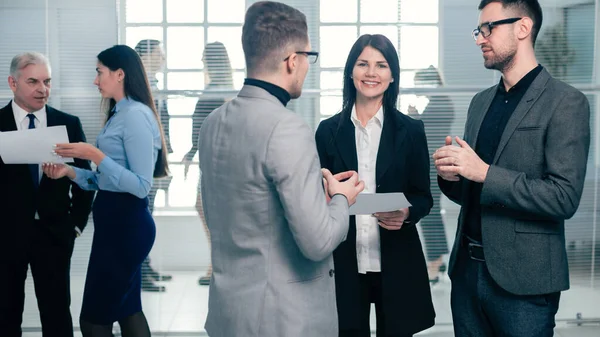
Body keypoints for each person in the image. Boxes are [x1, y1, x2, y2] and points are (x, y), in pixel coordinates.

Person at [198, 2, 365, 336]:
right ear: (293, 61)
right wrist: (340, 198)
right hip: (279, 319)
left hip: (227, 314)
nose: (307, 67)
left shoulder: (212, 124)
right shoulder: (288, 129)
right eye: (308, 57)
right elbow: (317, 241)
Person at [433, 1, 590, 336]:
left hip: (525, 285)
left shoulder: (566, 102)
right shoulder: (479, 102)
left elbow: (563, 198)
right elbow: (472, 189)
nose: (479, 38)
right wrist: (451, 176)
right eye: (478, 30)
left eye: (489, 28)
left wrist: (484, 172)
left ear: (523, 27)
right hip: (466, 275)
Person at [43, 44, 169, 337]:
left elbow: (140, 186)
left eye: (99, 72)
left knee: (93, 321)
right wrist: (70, 171)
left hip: (126, 228)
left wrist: (95, 155)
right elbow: (107, 181)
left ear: (120, 74)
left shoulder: (135, 115)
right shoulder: (119, 113)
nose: (95, 80)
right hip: (116, 226)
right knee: (128, 311)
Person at [315, 34, 435, 337]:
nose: (372, 73)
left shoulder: (411, 130)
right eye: (363, 64)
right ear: (350, 72)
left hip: (396, 263)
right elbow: (314, 200)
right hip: (343, 265)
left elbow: (423, 197)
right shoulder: (327, 132)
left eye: (381, 65)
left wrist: (407, 214)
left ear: (392, 75)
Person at [0, 52, 95, 337]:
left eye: (48, 81)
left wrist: (75, 226)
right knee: (5, 314)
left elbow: (85, 180)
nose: (43, 89)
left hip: (54, 234)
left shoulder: (68, 124)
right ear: (13, 83)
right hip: (5, 237)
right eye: (33, 81)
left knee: (56, 315)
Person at [181, 41, 234, 286]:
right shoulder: (213, 87)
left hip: (218, 162)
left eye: (205, 57)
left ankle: (218, 266)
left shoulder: (222, 90)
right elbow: (202, 127)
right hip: (207, 159)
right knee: (205, 209)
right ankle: (216, 264)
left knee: (209, 210)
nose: (202, 62)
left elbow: (226, 127)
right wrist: (191, 153)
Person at [408, 65, 454, 282]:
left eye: (419, 83)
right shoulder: (439, 104)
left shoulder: (440, 105)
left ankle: (434, 263)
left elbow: (427, 138)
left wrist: (414, 120)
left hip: (432, 167)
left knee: (429, 215)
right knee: (433, 213)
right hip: (433, 165)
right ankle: (439, 260)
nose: (415, 88)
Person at [135, 38, 174, 292]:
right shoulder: (139, 88)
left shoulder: (155, 85)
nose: (163, 58)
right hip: (143, 163)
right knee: (141, 217)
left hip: (156, 161)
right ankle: (140, 272)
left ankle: (146, 266)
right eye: (158, 53)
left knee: (148, 216)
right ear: (145, 56)